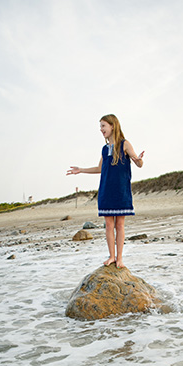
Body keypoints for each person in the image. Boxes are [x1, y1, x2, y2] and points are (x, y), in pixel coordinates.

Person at [67, 114, 144, 268]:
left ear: (112, 126)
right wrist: (80, 170)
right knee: (108, 225)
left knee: (120, 225)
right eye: (100, 126)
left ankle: (120, 258)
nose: (101, 129)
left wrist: (138, 159)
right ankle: (112, 257)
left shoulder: (125, 144)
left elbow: (139, 163)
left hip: (121, 190)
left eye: (103, 126)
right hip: (106, 190)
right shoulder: (104, 149)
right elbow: (100, 168)